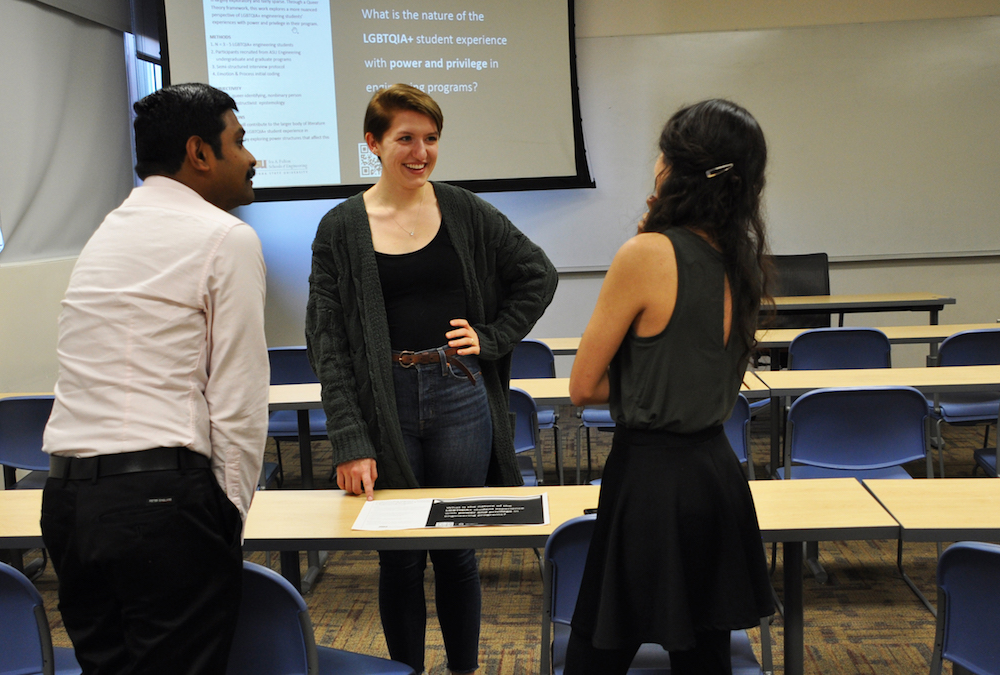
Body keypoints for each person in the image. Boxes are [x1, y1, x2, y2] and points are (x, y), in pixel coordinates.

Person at [305, 83, 557, 675]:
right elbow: (328, 341)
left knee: (456, 551)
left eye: (431, 138)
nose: (421, 153)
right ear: (373, 143)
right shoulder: (340, 227)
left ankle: (464, 669)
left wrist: (492, 337)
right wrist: (350, 439)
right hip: (384, 400)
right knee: (398, 556)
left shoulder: (463, 209)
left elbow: (538, 274)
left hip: (460, 395)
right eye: (406, 139)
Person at [40, 83, 268, 675]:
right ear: (199, 152)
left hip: (67, 502)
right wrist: (228, 518)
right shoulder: (226, 237)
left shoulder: (108, 231)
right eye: (240, 141)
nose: (253, 159)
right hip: (160, 505)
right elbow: (239, 394)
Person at [564, 99, 777, 674]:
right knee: (704, 654)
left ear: (676, 168)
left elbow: (583, 387)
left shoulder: (646, 253)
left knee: (598, 648)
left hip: (651, 480)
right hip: (715, 473)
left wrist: (641, 383)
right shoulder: (742, 258)